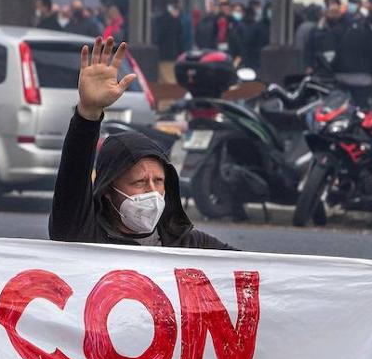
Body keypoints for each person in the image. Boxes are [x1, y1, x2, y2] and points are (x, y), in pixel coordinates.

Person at [50, 36, 235, 250]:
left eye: (158, 181)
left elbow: (252, 272)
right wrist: (88, 112)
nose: (152, 192)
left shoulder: (189, 245)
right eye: (139, 182)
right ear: (109, 191)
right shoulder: (82, 234)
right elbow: (73, 173)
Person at [154, 0, 185, 83]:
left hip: (167, 55)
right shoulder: (170, 20)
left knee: (166, 80)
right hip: (169, 56)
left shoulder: (164, 19)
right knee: (170, 81)